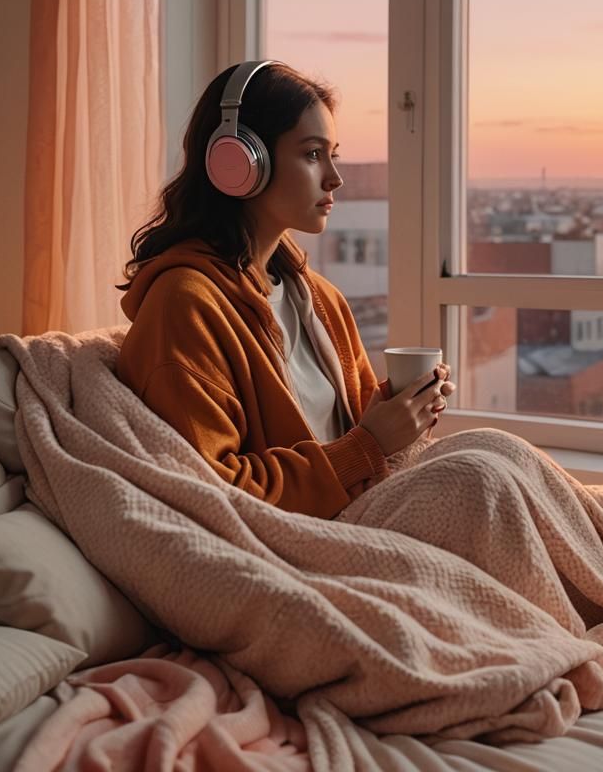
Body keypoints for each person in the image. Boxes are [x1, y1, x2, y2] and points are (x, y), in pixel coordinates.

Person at [117, 61, 456, 520]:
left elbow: (355, 440)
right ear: (236, 161)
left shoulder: (318, 298)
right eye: (313, 154)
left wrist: (400, 415)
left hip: (364, 510)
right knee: (485, 475)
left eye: (333, 153)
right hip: (299, 538)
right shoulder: (184, 304)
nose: (335, 177)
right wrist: (370, 443)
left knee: (494, 453)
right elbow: (215, 491)